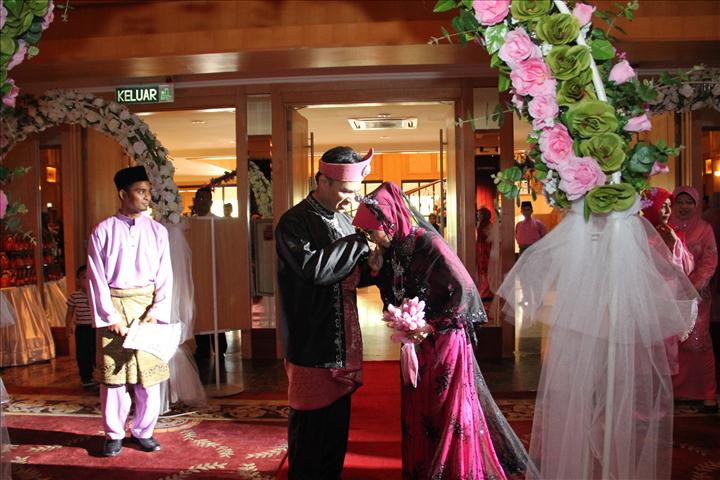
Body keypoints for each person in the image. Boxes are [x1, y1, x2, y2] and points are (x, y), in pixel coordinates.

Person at [352, 182, 535, 480]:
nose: (372, 238)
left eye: (373, 231)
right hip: (416, 343)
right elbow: (393, 288)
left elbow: (463, 290)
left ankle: (452, 472)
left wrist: (430, 325)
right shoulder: (392, 248)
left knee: (445, 410)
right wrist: (376, 268)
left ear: (389, 220)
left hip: (445, 339)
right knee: (418, 408)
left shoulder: (428, 243)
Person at [275, 146, 376, 479]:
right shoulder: (294, 221)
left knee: (335, 428)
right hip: (310, 338)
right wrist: (359, 243)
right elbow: (315, 269)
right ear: (323, 181)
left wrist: (375, 264)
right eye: (346, 191)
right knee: (309, 427)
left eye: (355, 191)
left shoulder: (344, 220)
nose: (351, 199)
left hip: (341, 338)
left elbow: (351, 274)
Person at [87, 165, 173, 457]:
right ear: (123, 194)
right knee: (114, 379)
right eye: (140, 191)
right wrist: (109, 317)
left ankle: (144, 431)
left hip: (147, 311)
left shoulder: (158, 231)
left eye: (148, 191)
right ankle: (113, 434)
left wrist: (157, 310)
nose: (147, 196)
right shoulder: (103, 230)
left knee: (149, 377)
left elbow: (165, 274)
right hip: (115, 308)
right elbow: (96, 277)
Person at [670, 186, 719, 413]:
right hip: (668, 295)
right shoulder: (665, 226)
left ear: (696, 204)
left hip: (696, 297)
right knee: (670, 343)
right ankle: (671, 392)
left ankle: (707, 394)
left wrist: (693, 287)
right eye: (679, 202)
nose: (684, 206)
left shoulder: (704, 229)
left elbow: (710, 260)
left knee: (698, 343)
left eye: (689, 202)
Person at [641, 187, 695, 376]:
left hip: (669, 299)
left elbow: (687, 267)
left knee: (665, 346)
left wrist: (674, 242)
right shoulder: (640, 235)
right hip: (650, 299)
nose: (667, 211)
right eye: (662, 206)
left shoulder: (670, 232)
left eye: (669, 206)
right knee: (647, 347)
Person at [191, 186, 228, 360]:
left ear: (211, 202)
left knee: (216, 312)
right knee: (200, 312)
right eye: (200, 198)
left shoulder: (218, 223)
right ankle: (202, 347)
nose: (203, 202)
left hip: (215, 274)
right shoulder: (189, 224)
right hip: (196, 276)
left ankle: (220, 348)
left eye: (206, 199)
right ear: (195, 201)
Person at [65, 265, 96, 387]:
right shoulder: (75, 296)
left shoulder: (97, 294)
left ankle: (97, 375)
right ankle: (86, 377)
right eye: (84, 278)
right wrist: (68, 326)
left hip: (95, 328)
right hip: (82, 329)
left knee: (96, 352)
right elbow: (69, 313)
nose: (87, 281)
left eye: (90, 277)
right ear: (78, 280)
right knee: (83, 353)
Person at [476, 207, 494, 299]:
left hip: (486, 250)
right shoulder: (480, 224)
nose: (478, 216)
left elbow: (491, 239)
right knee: (481, 270)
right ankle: (483, 290)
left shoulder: (489, 226)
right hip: (480, 250)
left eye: (480, 214)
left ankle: (486, 291)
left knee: (486, 270)